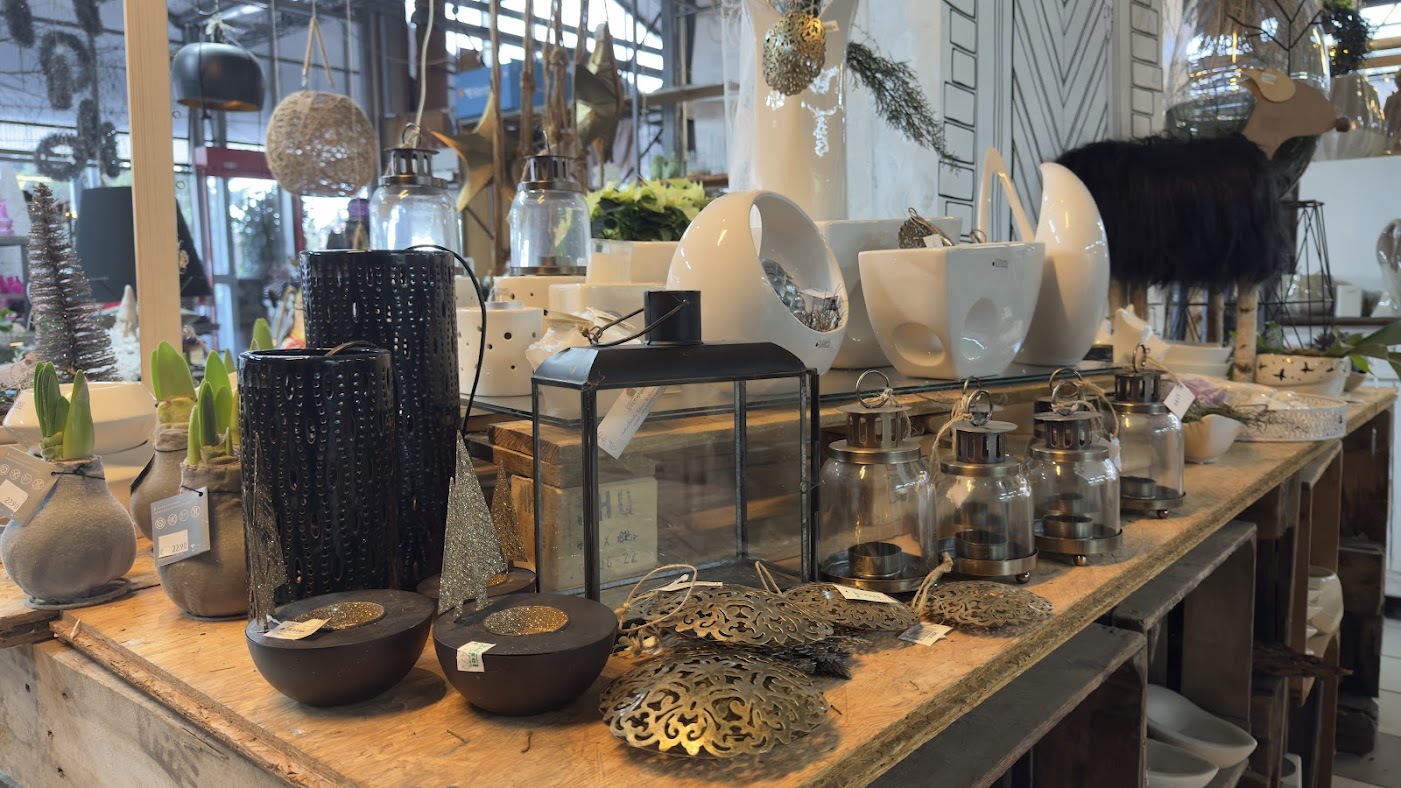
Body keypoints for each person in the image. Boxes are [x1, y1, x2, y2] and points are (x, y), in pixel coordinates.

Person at [1385, 71, 1401, 154]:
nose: (1399, 81)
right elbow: (1385, 116)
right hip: (1392, 133)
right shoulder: (1390, 98)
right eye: (1397, 79)